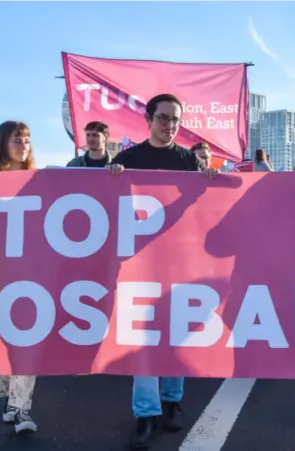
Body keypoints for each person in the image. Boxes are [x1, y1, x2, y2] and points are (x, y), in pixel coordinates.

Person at [107, 93, 217, 450]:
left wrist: (211, 181)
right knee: (143, 342)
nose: (170, 125)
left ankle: (172, 401)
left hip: (179, 265)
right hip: (138, 268)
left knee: (175, 336)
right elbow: (105, 205)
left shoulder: (189, 162)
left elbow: (206, 211)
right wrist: (111, 178)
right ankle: (145, 414)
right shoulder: (127, 159)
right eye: (164, 118)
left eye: (175, 120)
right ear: (148, 119)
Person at [0, 121, 38, 435]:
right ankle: (8, 396)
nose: (24, 145)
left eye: (28, 139)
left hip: (30, 278)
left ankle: (20, 408)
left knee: (26, 342)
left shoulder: (40, 180)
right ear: (3, 143)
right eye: (18, 139)